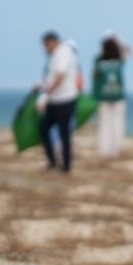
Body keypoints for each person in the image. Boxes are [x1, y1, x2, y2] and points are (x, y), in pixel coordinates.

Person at [35, 31, 81, 173]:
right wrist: (42, 87)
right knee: (44, 129)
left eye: (45, 45)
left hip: (65, 100)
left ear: (51, 42)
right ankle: (53, 162)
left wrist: (46, 95)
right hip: (55, 100)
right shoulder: (56, 55)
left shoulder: (63, 53)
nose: (44, 49)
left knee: (64, 133)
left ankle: (66, 166)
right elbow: (52, 76)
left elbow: (60, 77)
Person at [92, 32, 132, 158]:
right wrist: (119, 41)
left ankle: (104, 150)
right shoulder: (119, 61)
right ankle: (115, 149)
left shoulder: (99, 61)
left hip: (103, 97)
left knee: (104, 124)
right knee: (117, 123)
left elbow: (95, 76)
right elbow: (129, 50)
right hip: (118, 96)